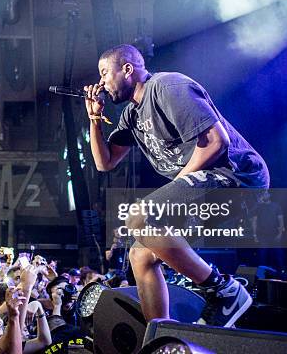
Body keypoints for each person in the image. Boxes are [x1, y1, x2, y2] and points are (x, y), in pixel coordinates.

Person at [83, 44, 269, 327]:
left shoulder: (168, 86)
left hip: (236, 178)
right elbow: (104, 163)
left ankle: (224, 291)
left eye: (105, 73)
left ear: (127, 70)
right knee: (140, 253)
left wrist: (178, 188)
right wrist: (95, 118)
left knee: (140, 217)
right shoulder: (131, 116)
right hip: (205, 185)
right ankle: (160, 337)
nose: (102, 83)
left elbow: (217, 142)